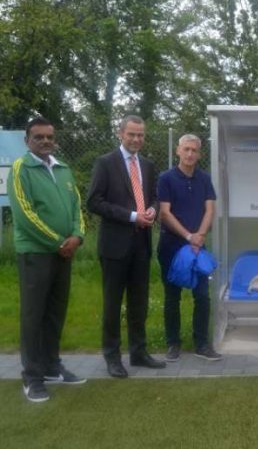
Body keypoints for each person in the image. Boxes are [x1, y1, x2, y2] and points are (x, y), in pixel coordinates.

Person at [8, 117, 87, 402]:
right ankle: (32, 376)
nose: (45, 142)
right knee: (34, 315)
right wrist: (58, 242)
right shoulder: (21, 169)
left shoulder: (63, 169)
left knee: (55, 312)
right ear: (27, 140)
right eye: (38, 137)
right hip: (36, 253)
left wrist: (77, 235)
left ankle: (52, 366)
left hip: (64, 252)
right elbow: (25, 214)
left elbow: (77, 205)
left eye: (49, 137)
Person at [87, 115, 165, 378]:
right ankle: (112, 356)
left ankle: (139, 352)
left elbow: (153, 196)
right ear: (120, 133)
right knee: (112, 303)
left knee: (139, 302)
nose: (136, 139)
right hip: (114, 246)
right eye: (132, 134)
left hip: (141, 244)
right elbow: (94, 201)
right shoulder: (105, 163)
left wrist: (152, 210)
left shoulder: (148, 164)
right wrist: (133, 216)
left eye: (141, 135)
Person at [157, 134, 221, 362]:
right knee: (172, 296)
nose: (190, 154)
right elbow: (165, 212)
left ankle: (202, 344)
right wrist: (188, 236)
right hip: (172, 246)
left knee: (202, 296)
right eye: (186, 149)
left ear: (200, 154)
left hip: (198, 247)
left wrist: (200, 235)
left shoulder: (204, 179)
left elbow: (210, 210)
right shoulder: (166, 179)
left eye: (194, 150)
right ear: (178, 151)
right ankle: (173, 343)